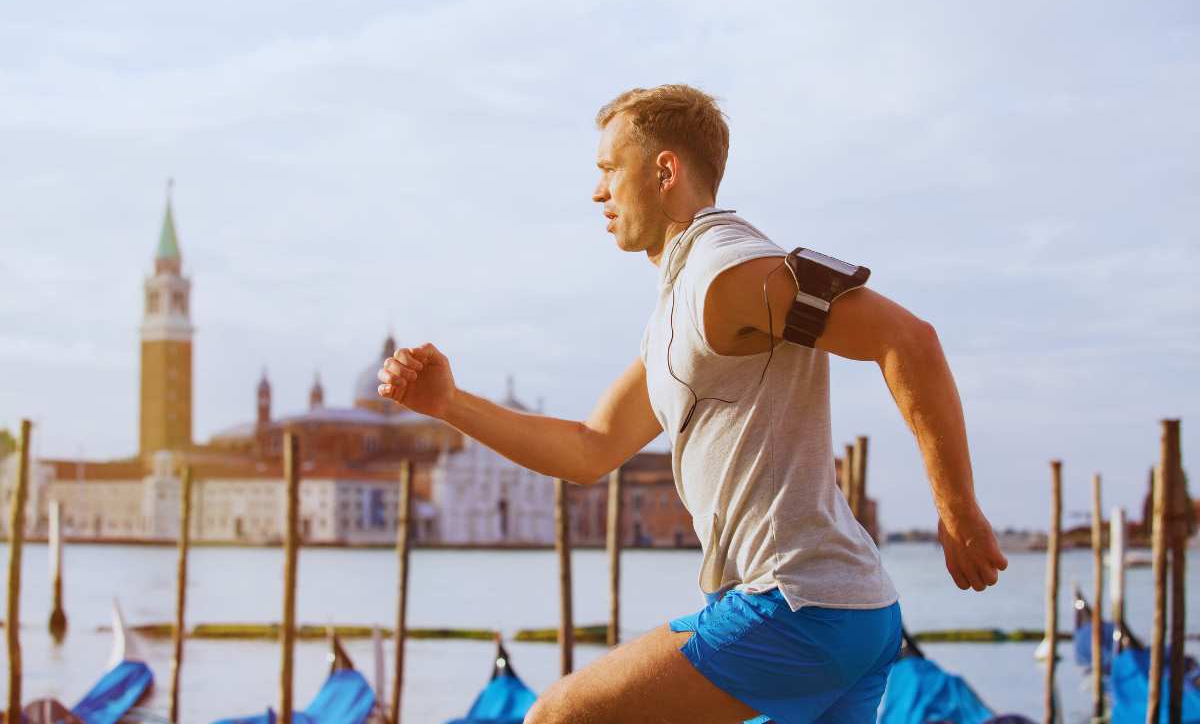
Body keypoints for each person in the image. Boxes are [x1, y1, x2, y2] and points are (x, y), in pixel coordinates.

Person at [377, 84, 1008, 724]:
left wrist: (957, 509)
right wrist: (450, 404)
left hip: (796, 605)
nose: (598, 193)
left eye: (607, 170)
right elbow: (590, 448)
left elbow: (907, 339)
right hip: (849, 612)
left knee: (558, 716)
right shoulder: (677, 308)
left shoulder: (726, 269)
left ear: (664, 170)